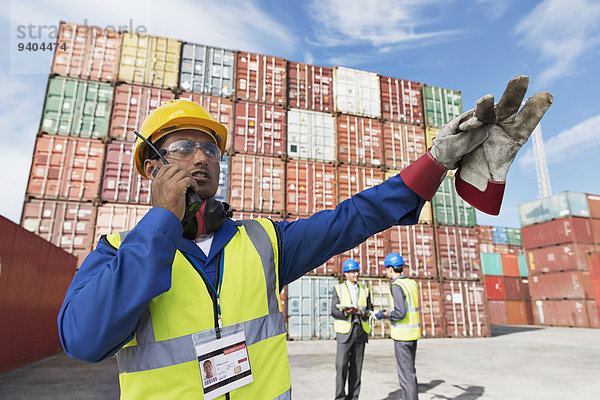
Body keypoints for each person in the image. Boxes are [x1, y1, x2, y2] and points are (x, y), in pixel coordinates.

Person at [58, 76, 552, 399]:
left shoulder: (262, 241)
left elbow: (351, 218)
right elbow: (84, 340)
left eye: (211, 149)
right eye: (183, 147)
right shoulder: (117, 253)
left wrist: (436, 161)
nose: (202, 158)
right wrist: (162, 224)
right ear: (150, 166)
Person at [375, 252, 420, 400]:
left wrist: (384, 314)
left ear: (390, 269)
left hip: (402, 336)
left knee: (406, 375)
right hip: (413, 334)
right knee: (410, 372)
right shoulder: (411, 283)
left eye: (386, 269)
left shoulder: (396, 285)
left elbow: (400, 313)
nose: (385, 271)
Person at [331, 259, 374, 400]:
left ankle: (354, 397)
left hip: (360, 332)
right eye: (353, 272)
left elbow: (370, 310)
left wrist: (363, 313)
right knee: (341, 366)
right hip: (344, 333)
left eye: (357, 271)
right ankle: (340, 397)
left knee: (357, 368)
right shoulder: (338, 289)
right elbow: (334, 311)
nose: (356, 274)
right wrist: (346, 312)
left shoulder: (365, 290)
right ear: (346, 274)